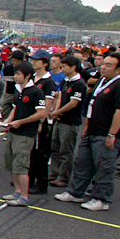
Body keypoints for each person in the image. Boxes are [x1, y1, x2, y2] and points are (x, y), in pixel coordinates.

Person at [55, 52, 120, 211]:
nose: (103, 67)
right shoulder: (102, 81)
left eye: (109, 65)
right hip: (92, 130)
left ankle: (101, 199)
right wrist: (87, 126)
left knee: (104, 167)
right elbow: (92, 104)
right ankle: (76, 192)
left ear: (118, 69)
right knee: (82, 162)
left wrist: (112, 134)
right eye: (103, 64)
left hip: (106, 133)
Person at [0, 61, 47, 206]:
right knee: (13, 163)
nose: (15, 76)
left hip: (25, 134)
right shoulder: (19, 90)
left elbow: (41, 113)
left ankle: (24, 197)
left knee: (21, 165)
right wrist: (9, 120)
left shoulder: (36, 92)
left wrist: (21, 122)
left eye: (18, 74)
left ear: (27, 76)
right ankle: (18, 191)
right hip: (14, 131)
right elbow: (15, 108)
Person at [48, 55, 88, 188]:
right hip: (60, 119)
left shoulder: (79, 83)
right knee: (55, 147)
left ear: (73, 67)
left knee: (66, 150)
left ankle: (64, 177)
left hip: (70, 121)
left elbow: (73, 103)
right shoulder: (66, 81)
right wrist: (56, 111)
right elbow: (60, 96)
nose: (62, 69)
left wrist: (57, 112)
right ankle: (54, 172)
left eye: (64, 67)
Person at [28, 49, 57, 194]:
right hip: (29, 119)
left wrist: (40, 122)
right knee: (30, 153)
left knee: (40, 154)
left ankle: (41, 183)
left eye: (37, 60)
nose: (33, 62)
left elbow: (47, 105)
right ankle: (29, 179)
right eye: (32, 59)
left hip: (40, 122)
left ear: (45, 63)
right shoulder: (32, 78)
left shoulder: (48, 82)